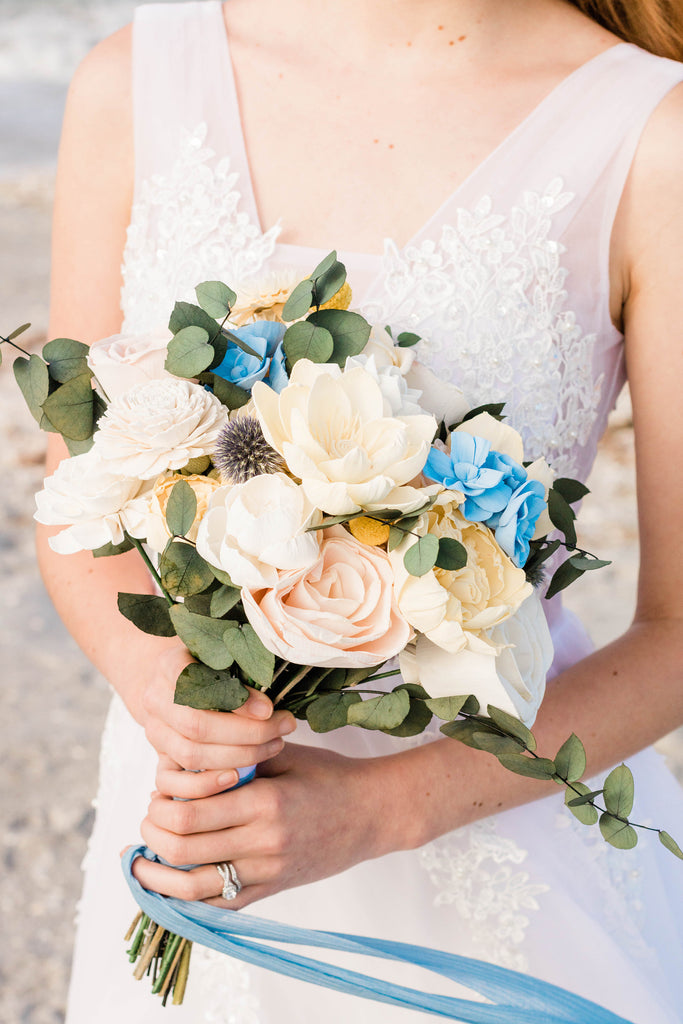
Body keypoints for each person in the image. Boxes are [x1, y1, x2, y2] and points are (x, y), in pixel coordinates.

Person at [39, 1, 683, 1021]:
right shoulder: (135, 80)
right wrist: (173, 687)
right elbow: (68, 502)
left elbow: (677, 634)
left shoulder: (651, 135)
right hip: (195, 825)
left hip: (488, 835)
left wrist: (381, 809)